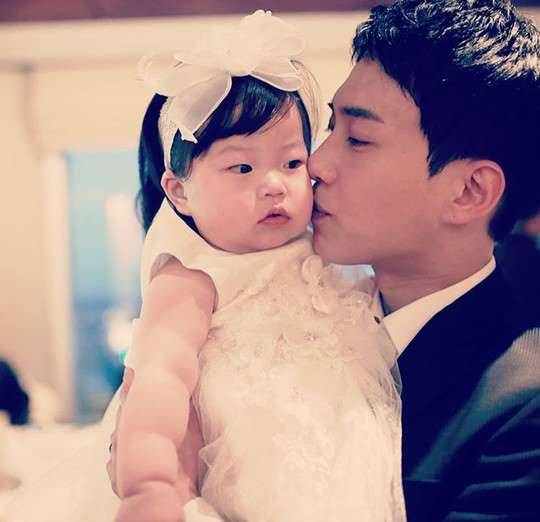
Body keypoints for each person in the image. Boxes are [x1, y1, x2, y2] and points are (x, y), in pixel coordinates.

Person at [104, 10, 403, 522]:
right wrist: (148, 487)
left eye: (292, 162)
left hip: (348, 459)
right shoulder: (192, 277)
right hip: (249, 476)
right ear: (179, 192)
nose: (274, 184)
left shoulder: (328, 247)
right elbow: (159, 379)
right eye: (242, 167)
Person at [308, 0, 540, 520]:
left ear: (469, 191)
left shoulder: (524, 408)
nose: (317, 163)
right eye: (329, 128)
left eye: (358, 139)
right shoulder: (305, 316)